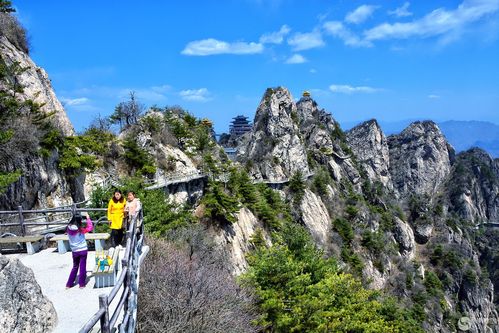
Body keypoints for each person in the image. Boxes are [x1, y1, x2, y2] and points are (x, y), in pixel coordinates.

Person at [66, 213, 93, 289]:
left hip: (74, 251)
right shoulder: (80, 230)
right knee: (82, 267)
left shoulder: (68, 228)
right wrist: (88, 218)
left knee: (75, 267)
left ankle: (69, 284)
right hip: (83, 250)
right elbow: (90, 228)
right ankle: (81, 284)